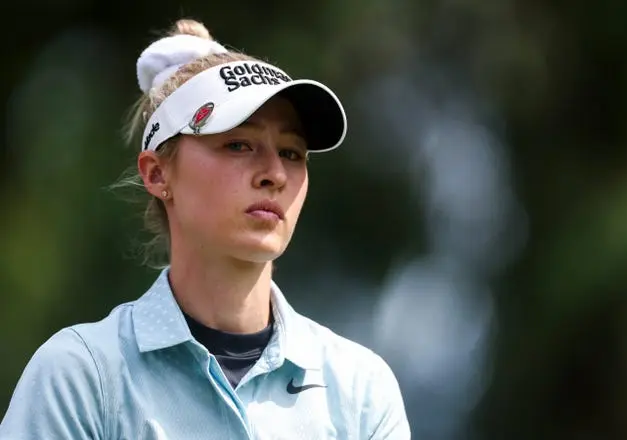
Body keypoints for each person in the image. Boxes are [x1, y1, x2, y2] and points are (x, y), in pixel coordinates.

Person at [0, 18, 410, 439]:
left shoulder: (360, 390)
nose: (274, 174)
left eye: (291, 152)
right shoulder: (82, 377)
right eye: (238, 144)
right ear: (157, 173)